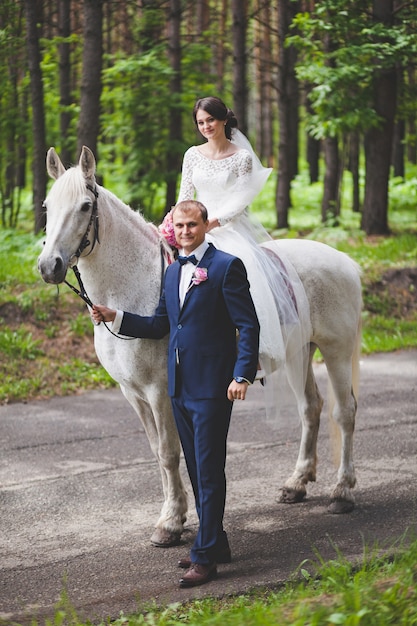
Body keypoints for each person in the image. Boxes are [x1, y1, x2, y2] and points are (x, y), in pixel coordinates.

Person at [91, 200, 260, 588]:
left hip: (214, 386)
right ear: (173, 229)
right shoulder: (172, 274)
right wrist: (115, 316)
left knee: (209, 471)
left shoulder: (225, 267)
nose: (185, 231)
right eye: (179, 225)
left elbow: (248, 326)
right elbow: (160, 326)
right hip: (180, 388)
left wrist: (242, 375)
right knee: (198, 470)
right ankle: (216, 543)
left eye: (192, 225)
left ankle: (204, 557)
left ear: (204, 226)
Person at [168, 95, 311, 416]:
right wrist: (174, 221)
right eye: (200, 122)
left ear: (223, 121)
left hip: (227, 227)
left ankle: (252, 355)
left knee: (243, 271)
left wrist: (211, 223)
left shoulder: (241, 157)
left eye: (210, 121)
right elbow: (184, 195)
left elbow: (240, 202)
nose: (205, 127)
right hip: (194, 225)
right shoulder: (192, 155)